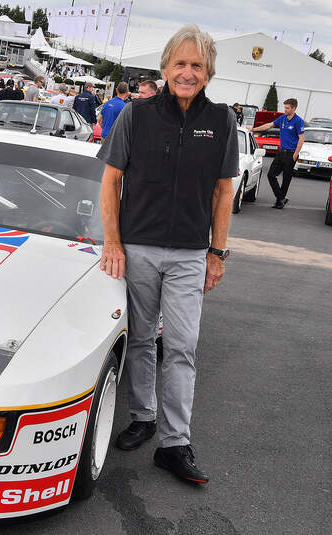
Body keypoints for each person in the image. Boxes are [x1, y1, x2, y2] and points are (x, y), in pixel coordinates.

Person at [98, 24, 238, 485]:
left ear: (208, 72)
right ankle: (143, 416)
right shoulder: (136, 116)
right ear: (164, 68)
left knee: (182, 347)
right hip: (136, 248)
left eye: (197, 65)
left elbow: (223, 193)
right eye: (180, 63)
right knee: (139, 339)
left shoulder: (222, 122)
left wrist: (217, 253)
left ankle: (175, 443)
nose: (187, 72)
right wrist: (114, 242)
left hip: (190, 256)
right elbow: (110, 182)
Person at [250, 98, 305, 209]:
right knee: (271, 175)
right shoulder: (282, 118)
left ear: (294, 108)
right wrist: (254, 129)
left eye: (287, 108)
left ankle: (279, 201)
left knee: (286, 179)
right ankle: (281, 197)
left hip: (291, 154)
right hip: (281, 153)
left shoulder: (298, 121)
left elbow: (301, 138)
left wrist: (295, 154)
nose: (285, 109)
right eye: (285, 107)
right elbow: (269, 125)